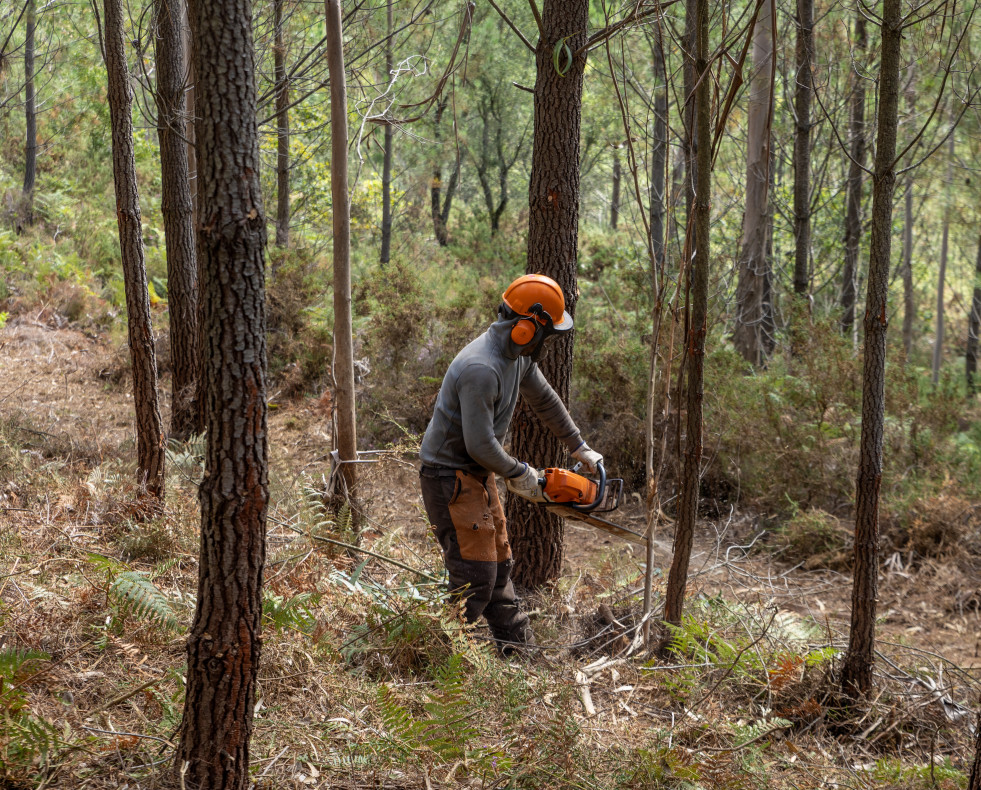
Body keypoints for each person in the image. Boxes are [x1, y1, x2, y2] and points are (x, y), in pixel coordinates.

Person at [418, 273, 603, 653]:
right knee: (475, 576)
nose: (547, 344)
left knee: (499, 566)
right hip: (447, 476)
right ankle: (439, 662)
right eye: (546, 334)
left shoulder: (516, 358)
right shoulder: (481, 369)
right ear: (525, 328)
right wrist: (523, 475)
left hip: (476, 474)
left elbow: (545, 400)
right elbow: (481, 445)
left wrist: (578, 446)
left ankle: (520, 656)